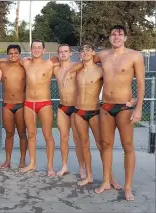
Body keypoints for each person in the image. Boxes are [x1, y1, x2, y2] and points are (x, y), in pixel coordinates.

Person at [90, 25, 144, 201]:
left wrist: (138, 108)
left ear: (125, 38)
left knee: (128, 145)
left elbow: (142, 83)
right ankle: (106, 181)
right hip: (105, 106)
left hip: (124, 107)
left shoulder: (135, 56)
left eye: (120, 34)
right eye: (113, 34)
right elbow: (85, 59)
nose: (116, 37)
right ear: (109, 37)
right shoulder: (103, 55)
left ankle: (128, 187)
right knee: (106, 144)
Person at [63, 44, 122, 187]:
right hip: (78, 111)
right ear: (80, 55)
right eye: (82, 50)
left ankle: (110, 178)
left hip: (94, 111)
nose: (85, 52)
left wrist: (129, 98)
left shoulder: (101, 71)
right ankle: (89, 176)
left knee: (101, 145)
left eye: (88, 50)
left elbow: (115, 84)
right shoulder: (78, 70)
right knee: (84, 144)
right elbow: (68, 66)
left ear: (93, 53)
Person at [19, 40, 59, 176]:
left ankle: (50, 167)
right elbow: (10, 61)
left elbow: (66, 64)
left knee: (48, 135)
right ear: (31, 49)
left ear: (44, 50)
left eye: (39, 48)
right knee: (31, 134)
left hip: (44, 103)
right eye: (34, 47)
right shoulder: (25, 62)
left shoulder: (50, 63)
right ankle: (32, 163)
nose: (36, 49)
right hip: (29, 103)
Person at [0, 45, 28, 169]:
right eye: (10, 53)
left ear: (19, 54)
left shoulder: (24, 66)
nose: (13, 55)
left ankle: (22, 159)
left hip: (21, 104)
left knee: (22, 133)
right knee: (9, 133)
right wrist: (2, 60)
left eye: (16, 53)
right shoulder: (2, 66)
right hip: (7, 105)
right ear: (7, 55)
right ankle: (8, 160)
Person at [54, 44, 84, 177]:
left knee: (78, 139)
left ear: (70, 53)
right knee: (63, 138)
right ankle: (64, 166)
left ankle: (82, 168)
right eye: (61, 52)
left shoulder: (77, 66)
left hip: (75, 107)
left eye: (66, 51)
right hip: (62, 107)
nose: (63, 54)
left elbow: (93, 62)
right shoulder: (55, 69)